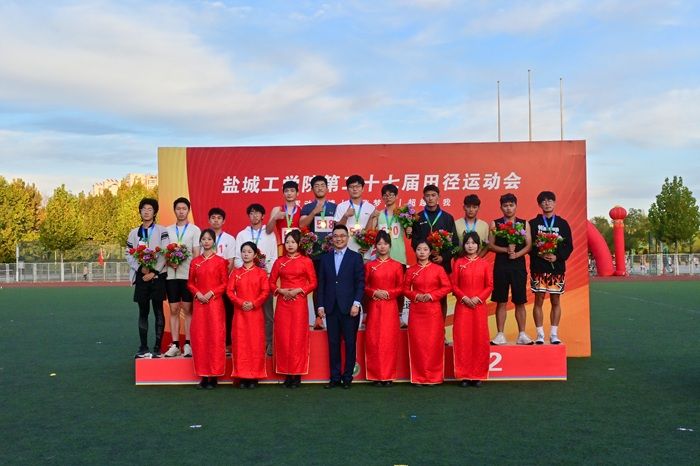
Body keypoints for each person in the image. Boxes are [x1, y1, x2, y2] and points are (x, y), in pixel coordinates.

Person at [317, 224, 365, 389]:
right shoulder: (325, 258)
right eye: (336, 236)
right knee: (333, 344)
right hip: (331, 307)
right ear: (332, 238)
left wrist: (356, 303)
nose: (339, 239)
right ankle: (335, 377)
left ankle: (347, 378)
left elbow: (360, 283)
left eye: (342, 236)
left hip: (350, 308)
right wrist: (320, 305)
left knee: (350, 344)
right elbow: (321, 284)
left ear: (347, 237)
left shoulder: (355, 257)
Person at [269, 230, 317, 388]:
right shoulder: (279, 261)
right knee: (283, 338)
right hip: (283, 303)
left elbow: (313, 283)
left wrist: (299, 290)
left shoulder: (306, 261)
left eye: (293, 242)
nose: (290, 245)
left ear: (298, 244)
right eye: (287, 242)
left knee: (297, 338)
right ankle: (286, 374)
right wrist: (281, 291)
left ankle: (297, 375)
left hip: (298, 303)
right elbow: (271, 283)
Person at [403, 240, 452, 386]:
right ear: (415, 251)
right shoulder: (411, 270)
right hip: (417, 311)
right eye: (419, 249)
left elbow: (447, 287)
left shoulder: (438, 269)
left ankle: (434, 377)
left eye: (425, 249)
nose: (422, 252)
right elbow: (405, 289)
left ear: (430, 252)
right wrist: (416, 295)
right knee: (418, 344)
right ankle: (418, 377)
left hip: (433, 311)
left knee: (433, 344)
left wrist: (432, 295)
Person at [126, 198, 170, 358]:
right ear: (140, 211)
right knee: (143, 312)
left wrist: (154, 272)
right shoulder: (134, 233)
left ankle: (157, 348)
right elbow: (128, 254)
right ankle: (143, 347)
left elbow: (165, 253)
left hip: (157, 276)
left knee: (158, 311)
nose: (146, 212)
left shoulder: (162, 230)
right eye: (143, 209)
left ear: (155, 212)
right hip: (141, 276)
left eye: (150, 209)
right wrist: (140, 268)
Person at [488, 193, 533, 345]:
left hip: (518, 266)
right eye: (505, 205)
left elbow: (529, 245)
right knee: (501, 301)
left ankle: (522, 334)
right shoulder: (495, 224)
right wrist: (505, 250)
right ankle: (500, 334)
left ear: (516, 206)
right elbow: (490, 245)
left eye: (511, 205)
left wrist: (517, 254)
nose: (508, 208)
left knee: (520, 301)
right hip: (501, 266)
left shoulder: (524, 224)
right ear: (501, 207)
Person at [529, 191, 573, 345]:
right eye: (543, 201)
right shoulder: (533, 223)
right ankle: (540, 334)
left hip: (557, 268)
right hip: (538, 268)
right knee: (539, 299)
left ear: (554, 203)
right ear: (539, 204)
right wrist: (540, 254)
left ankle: (554, 334)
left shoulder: (562, 224)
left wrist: (557, 256)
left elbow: (569, 246)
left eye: (550, 200)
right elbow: (529, 245)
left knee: (555, 300)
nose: (547, 203)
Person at [187, 229, 229, 389]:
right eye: (203, 239)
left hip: (215, 304)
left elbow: (224, 283)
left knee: (215, 337)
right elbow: (190, 283)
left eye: (209, 239)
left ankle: (214, 375)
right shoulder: (195, 262)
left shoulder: (220, 261)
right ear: (200, 241)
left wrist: (211, 293)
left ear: (214, 241)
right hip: (199, 304)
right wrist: (198, 293)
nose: (206, 241)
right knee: (200, 337)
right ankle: (203, 375)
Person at [451, 232, 494, 387]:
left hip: (479, 307)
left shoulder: (484, 264)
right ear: (464, 245)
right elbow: (454, 285)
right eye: (467, 243)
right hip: (463, 306)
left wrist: (478, 298)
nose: (470, 246)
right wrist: (463, 297)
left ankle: (478, 375)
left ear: (478, 245)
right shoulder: (458, 262)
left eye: (473, 243)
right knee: (463, 339)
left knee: (479, 339)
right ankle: (464, 375)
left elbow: (489, 285)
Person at [235, 203, 278, 355]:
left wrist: (265, 270)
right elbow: (237, 259)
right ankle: (249, 344)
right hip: (246, 281)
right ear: (248, 216)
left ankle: (268, 344)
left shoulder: (270, 234)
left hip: (265, 278)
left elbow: (274, 257)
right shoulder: (242, 234)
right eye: (252, 213)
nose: (255, 216)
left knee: (267, 313)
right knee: (247, 313)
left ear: (263, 216)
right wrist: (249, 270)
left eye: (257, 213)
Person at [227, 242, 271, 388]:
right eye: (244, 251)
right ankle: (242, 376)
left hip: (255, 313)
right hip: (239, 314)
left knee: (255, 344)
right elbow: (229, 291)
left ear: (255, 254)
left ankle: (254, 377)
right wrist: (240, 302)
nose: (246, 254)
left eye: (249, 252)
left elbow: (265, 291)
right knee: (240, 344)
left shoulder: (261, 273)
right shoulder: (235, 273)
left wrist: (254, 303)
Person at [411, 184, 458, 320]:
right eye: (427, 196)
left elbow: (455, 245)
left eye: (433, 195)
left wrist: (443, 257)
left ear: (439, 197)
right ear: (423, 198)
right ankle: (425, 328)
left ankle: (440, 329)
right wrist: (426, 254)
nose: (430, 198)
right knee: (423, 297)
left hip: (442, 265)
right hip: (423, 265)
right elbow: (414, 242)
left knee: (441, 298)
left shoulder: (448, 218)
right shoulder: (418, 218)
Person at [363, 230, 404, 386]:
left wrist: (388, 293)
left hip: (390, 306)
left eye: (385, 244)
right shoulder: (369, 266)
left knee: (389, 340)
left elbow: (401, 287)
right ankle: (375, 376)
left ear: (390, 246)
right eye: (379, 244)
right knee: (374, 340)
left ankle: (388, 375)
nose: (382, 247)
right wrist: (374, 292)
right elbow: (364, 286)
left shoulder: (397, 266)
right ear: (375, 246)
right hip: (374, 306)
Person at [368, 183, 410, 327]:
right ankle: (376, 315)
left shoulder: (403, 215)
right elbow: (371, 233)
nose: (388, 197)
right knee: (377, 285)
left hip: (398, 256)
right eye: (385, 195)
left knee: (400, 288)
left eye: (391, 194)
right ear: (382, 197)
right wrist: (371, 219)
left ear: (396, 196)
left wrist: (409, 226)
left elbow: (409, 233)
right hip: (380, 257)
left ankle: (399, 316)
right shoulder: (379, 214)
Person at [164, 197, 201, 358]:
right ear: (174, 210)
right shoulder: (167, 230)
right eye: (178, 208)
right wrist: (170, 261)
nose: (181, 211)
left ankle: (188, 344)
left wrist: (195, 273)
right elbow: (164, 252)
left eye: (184, 209)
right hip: (171, 275)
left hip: (187, 275)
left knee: (187, 309)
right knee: (173, 309)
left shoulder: (195, 230)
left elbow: (196, 253)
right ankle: (175, 344)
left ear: (188, 211)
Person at [300, 175, 338, 329]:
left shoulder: (334, 207)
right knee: (317, 286)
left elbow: (339, 227)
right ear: (312, 189)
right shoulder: (308, 207)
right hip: (315, 254)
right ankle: (318, 318)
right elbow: (301, 224)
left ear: (327, 188)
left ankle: (333, 315)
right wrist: (314, 212)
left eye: (322, 185)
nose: (320, 188)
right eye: (317, 186)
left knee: (333, 284)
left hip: (332, 253)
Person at [208, 207, 236, 354]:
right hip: (208, 284)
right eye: (213, 218)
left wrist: (221, 280)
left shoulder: (229, 239)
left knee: (227, 313)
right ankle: (211, 343)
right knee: (210, 315)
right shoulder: (205, 237)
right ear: (209, 220)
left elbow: (230, 262)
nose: (216, 220)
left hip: (225, 283)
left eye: (219, 218)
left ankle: (227, 344)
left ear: (223, 221)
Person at [334, 175, 376, 254]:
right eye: (351, 187)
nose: (355, 189)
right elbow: (337, 229)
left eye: (358, 186)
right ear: (347, 189)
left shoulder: (371, 208)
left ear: (363, 188)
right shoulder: (341, 206)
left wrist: (366, 245)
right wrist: (345, 216)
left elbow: (372, 231)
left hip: (365, 251)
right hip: (346, 250)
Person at [266, 180, 301, 253]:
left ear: (297, 193)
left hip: (298, 249)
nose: (289, 193)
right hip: (282, 248)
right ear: (283, 194)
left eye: (292, 191)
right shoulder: (277, 209)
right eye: (286, 191)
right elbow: (268, 231)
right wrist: (275, 218)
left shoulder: (301, 210)